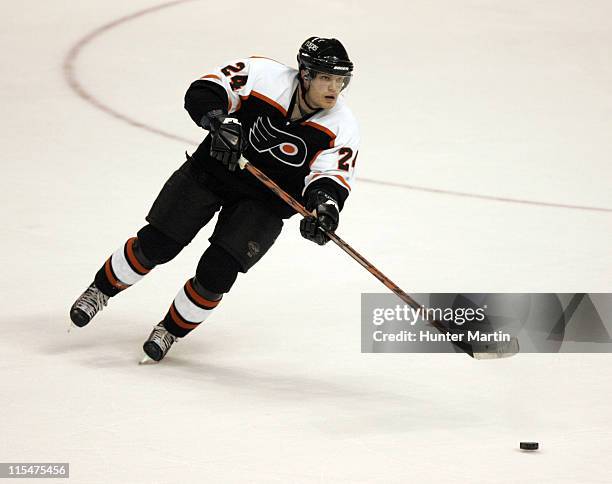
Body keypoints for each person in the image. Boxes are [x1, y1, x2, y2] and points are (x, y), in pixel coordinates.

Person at [69, 37, 360, 362]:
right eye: (325, 78)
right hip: (212, 172)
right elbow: (204, 90)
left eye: (340, 80)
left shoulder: (342, 125)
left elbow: (331, 178)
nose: (334, 87)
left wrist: (324, 207)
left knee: (217, 274)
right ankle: (101, 290)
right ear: (305, 74)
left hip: (264, 203)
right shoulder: (263, 75)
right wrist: (217, 121)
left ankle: (169, 331)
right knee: (157, 244)